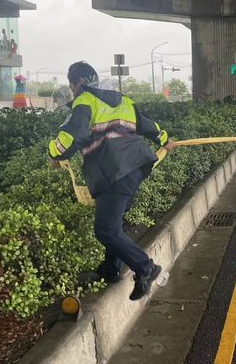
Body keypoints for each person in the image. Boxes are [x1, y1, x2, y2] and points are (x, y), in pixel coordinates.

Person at [48, 61, 175, 301]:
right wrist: (164, 140)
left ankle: (146, 268)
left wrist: (54, 153)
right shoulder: (122, 98)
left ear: (78, 82)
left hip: (113, 171)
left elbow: (73, 135)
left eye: (71, 85)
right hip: (135, 167)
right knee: (113, 224)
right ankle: (110, 269)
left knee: (105, 230)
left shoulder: (85, 99)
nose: (72, 90)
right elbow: (146, 123)